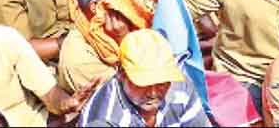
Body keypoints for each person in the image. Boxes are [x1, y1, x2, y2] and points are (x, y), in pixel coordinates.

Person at [78, 29, 211, 127]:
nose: (153, 93)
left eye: (161, 83)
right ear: (121, 74)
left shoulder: (181, 88)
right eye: (143, 84)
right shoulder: (105, 119)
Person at [58, 0, 152, 93]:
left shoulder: (126, 23)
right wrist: (124, 40)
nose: (134, 4)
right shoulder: (80, 59)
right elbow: (136, 94)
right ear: (97, 8)